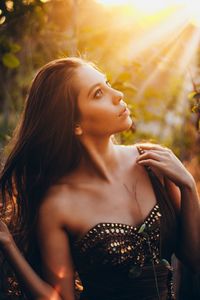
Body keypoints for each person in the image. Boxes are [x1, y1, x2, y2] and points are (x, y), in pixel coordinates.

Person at [0, 57, 199, 300]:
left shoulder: (154, 163)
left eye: (107, 84)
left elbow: (193, 257)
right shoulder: (58, 205)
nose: (117, 94)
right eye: (98, 93)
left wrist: (188, 186)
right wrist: (8, 245)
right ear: (75, 124)